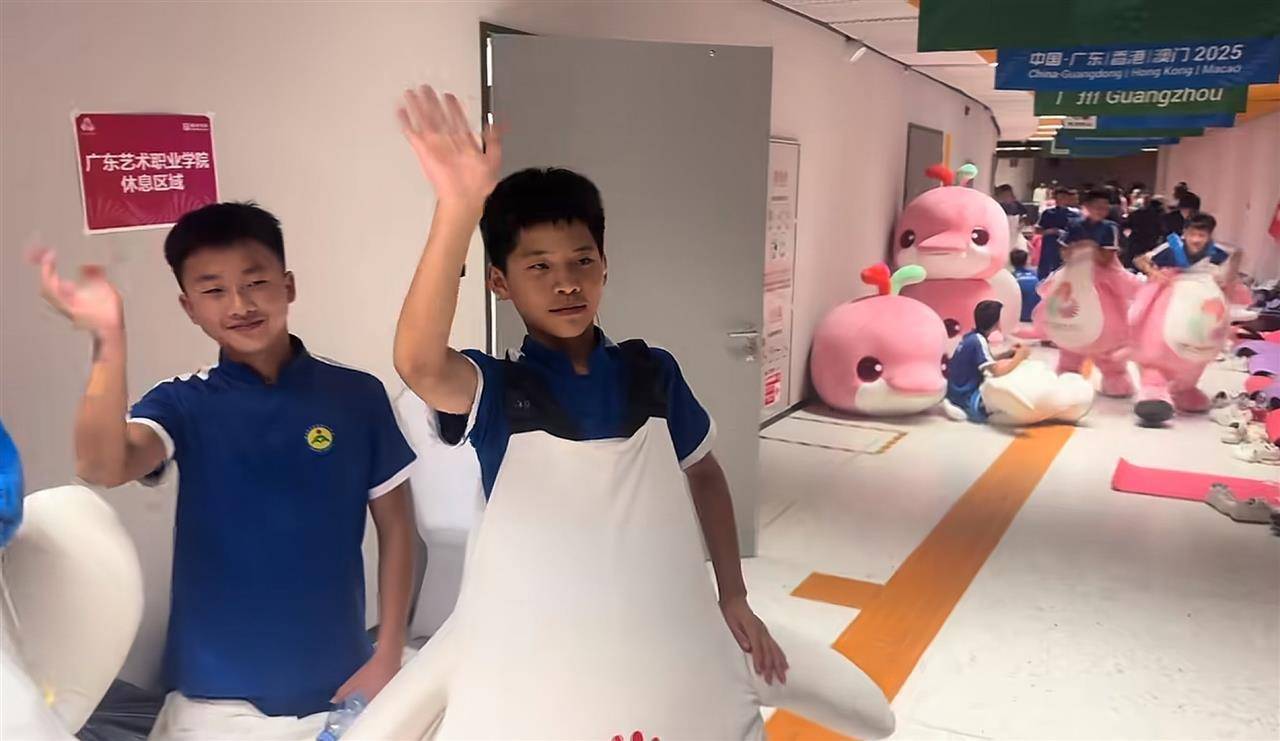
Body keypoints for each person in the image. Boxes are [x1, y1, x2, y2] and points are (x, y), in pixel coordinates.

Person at [390, 85, 788, 713]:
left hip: (649, 628)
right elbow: (417, 362)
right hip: (541, 646)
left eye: (582, 261)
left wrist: (732, 594)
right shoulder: (496, 390)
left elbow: (706, 474)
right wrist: (458, 208)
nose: (566, 283)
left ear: (606, 265)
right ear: (499, 281)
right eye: (538, 267)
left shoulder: (651, 373)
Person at [31, 203, 418, 739]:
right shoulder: (183, 402)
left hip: (341, 685)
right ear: (189, 307)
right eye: (214, 291)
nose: (240, 304)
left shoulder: (356, 395)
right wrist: (108, 341)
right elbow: (101, 465)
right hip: (213, 699)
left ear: (288, 286)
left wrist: (389, 651)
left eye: (255, 282)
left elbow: (398, 528)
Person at [943, 300, 1030, 422]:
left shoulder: (971, 337)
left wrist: (1008, 354)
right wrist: (1019, 357)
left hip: (954, 392)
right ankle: (967, 409)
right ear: (996, 322)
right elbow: (997, 372)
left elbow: (986, 360)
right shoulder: (979, 341)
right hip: (966, 396)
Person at [1136, 212, 1240, 285]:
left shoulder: (1217, 251)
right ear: (1185, 233)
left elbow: (1236, 255)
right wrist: (1154, 272)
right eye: (1192, 234)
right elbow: (1140, 260)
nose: (1196, 240)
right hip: (1172, 293)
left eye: (1201, 235)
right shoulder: (1173, 247)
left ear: (1209, 236)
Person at [1064, 188, 1123, 268]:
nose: (1101, 211)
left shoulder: (1110, 227)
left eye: (1105, 208)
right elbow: (1064, 252)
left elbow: (1106, 259)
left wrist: (1087, 247)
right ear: (1087, 206)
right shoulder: (1073, 224)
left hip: (1103, 269)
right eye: (1098, 207)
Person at [1035, 185, 1078, 278]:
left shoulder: (1074, 215)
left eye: (1064, 197)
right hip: (1050, 246)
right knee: (1046, 273)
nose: (1061, 200)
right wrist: (1052, 231)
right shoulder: (1048, 213)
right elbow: (1038, 230)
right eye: (1059, 198)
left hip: (1066, 248)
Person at [1122, 195, 1167, 268]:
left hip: (1135, 243)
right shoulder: (1160, 217)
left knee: (1131, 266)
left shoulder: (1136, 213)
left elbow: (1125, 225)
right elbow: (1163, 231)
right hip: (1151, 244)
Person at [1009, 250, 1040, 322]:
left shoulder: (1011, 278)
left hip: (1019, 317)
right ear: (1026, 261)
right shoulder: (1036, 276)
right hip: (1035, 316)